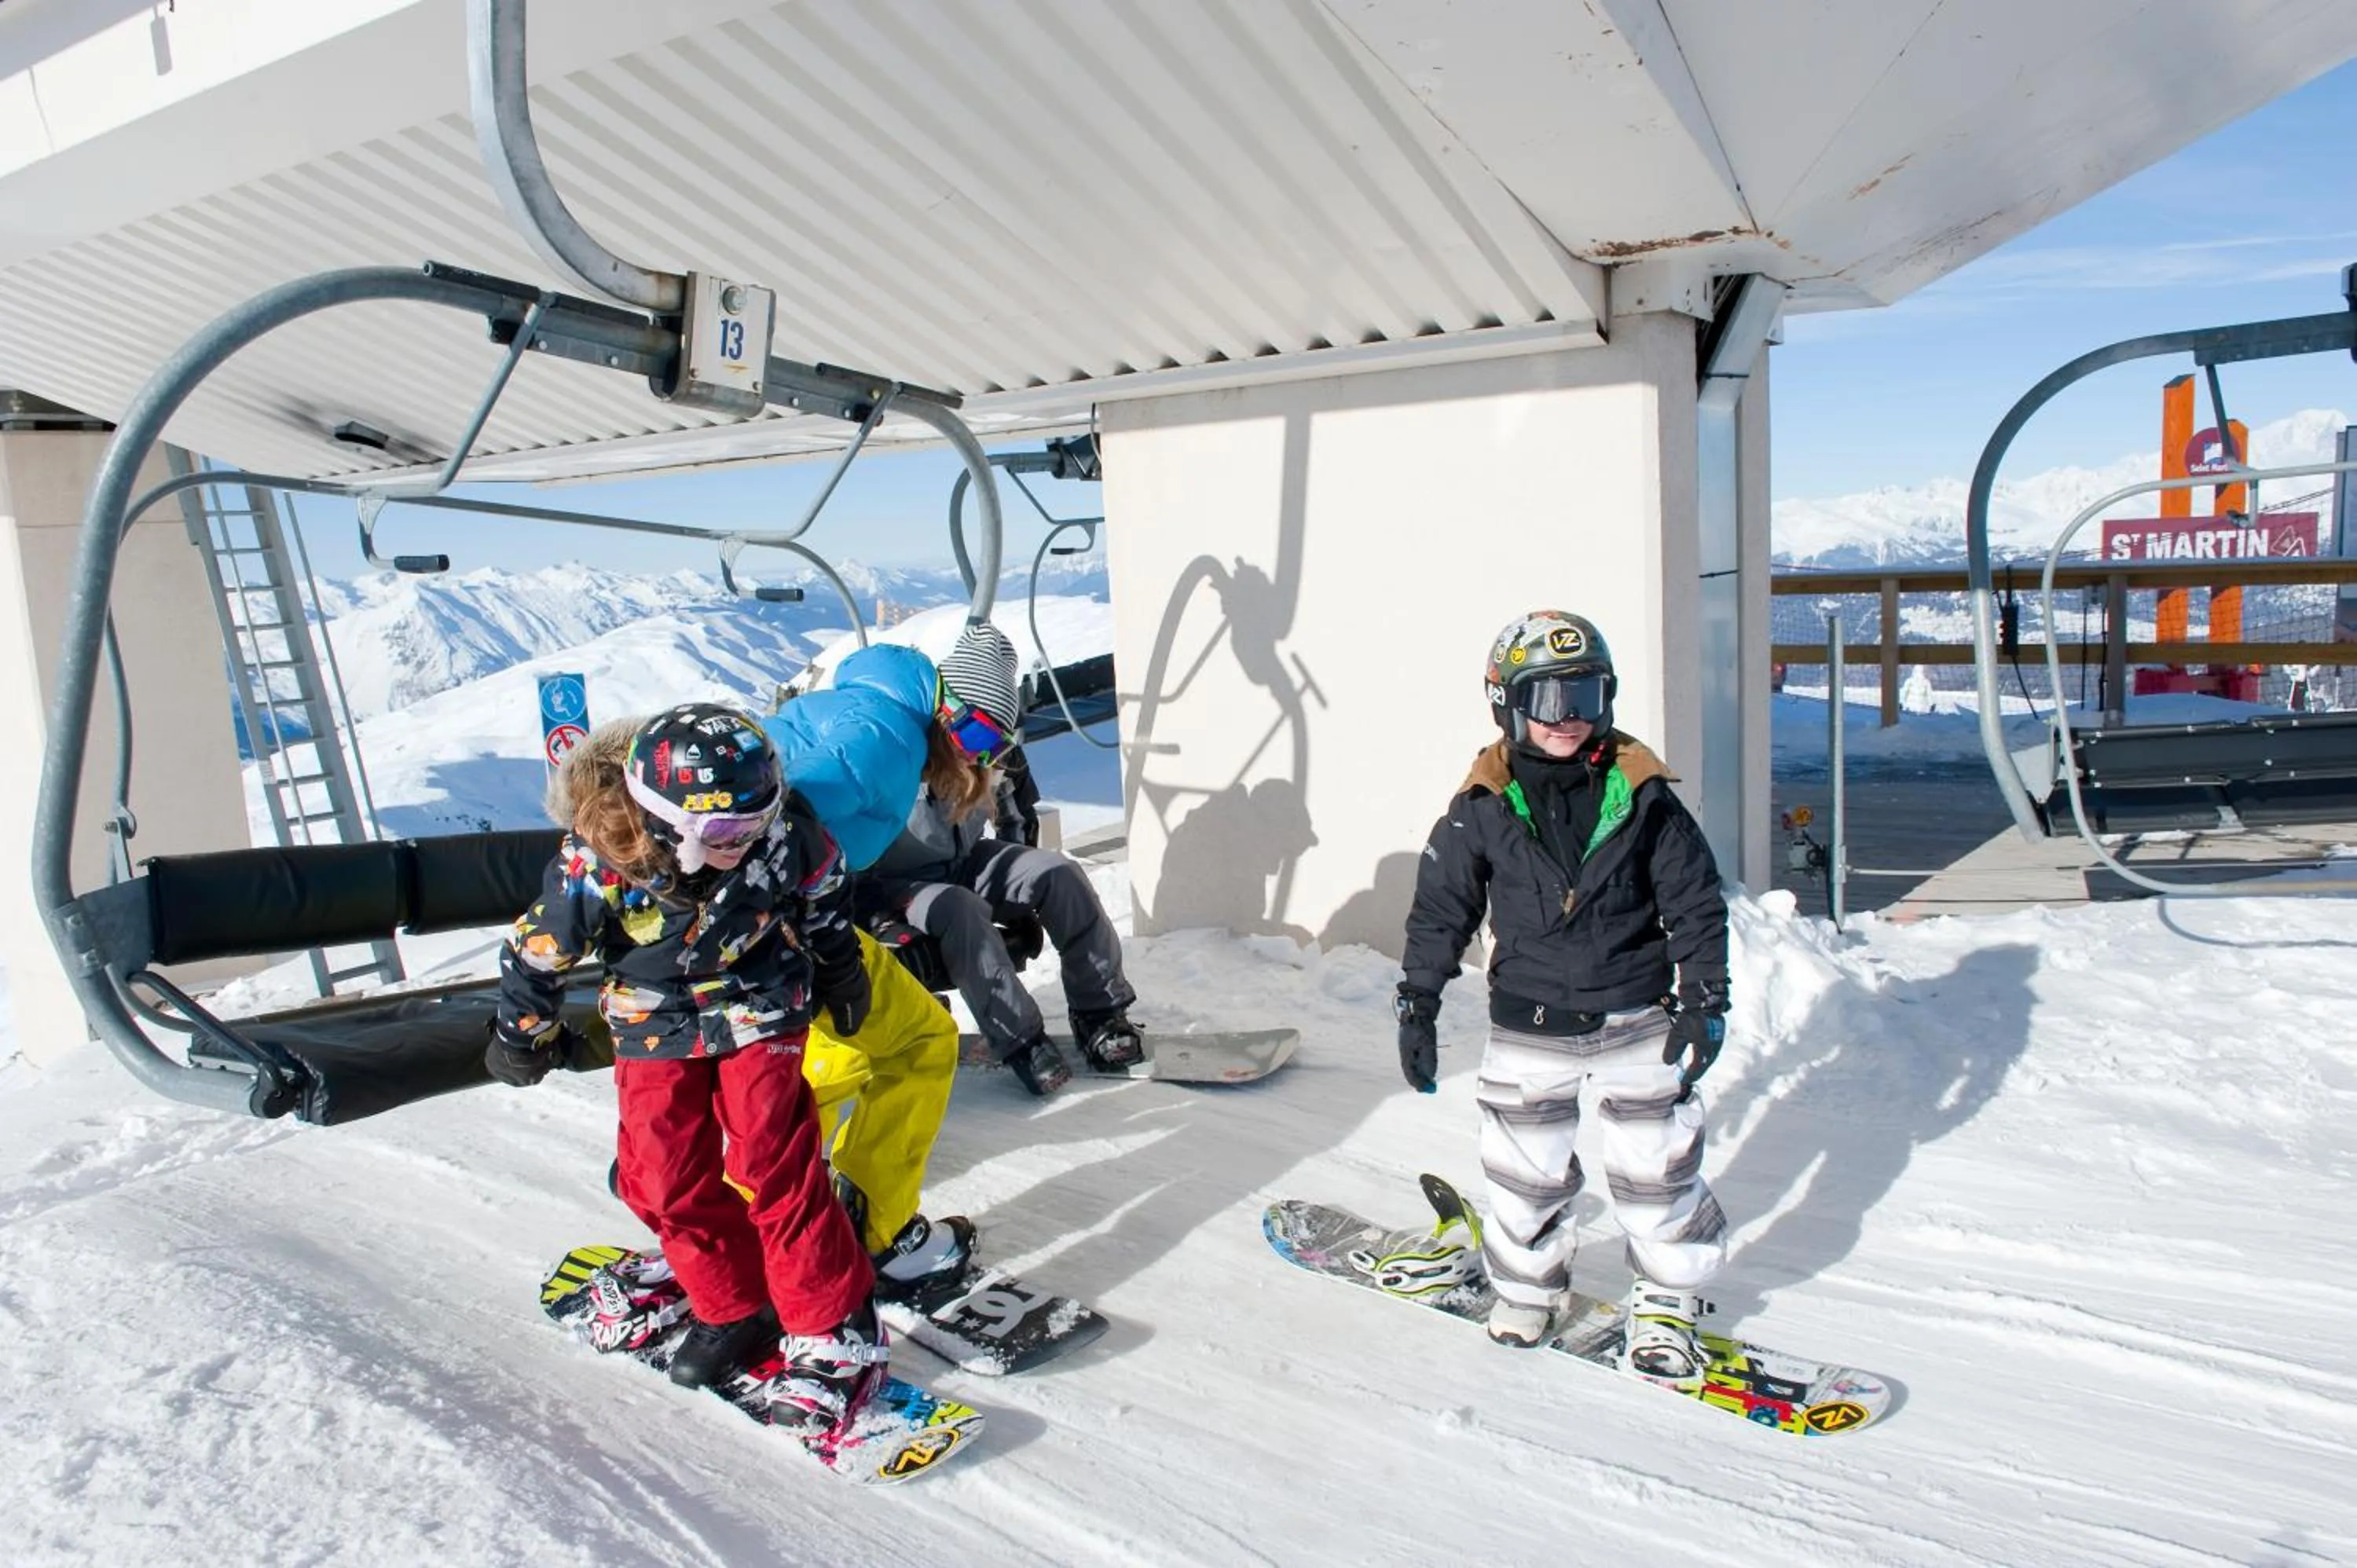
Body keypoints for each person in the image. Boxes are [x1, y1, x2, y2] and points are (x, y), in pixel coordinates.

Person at [483, 702, 887, 1432]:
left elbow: (825, 898)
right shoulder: (601, 860)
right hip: (654, 1019)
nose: (749, 839)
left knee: (773, 1163)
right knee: (663, 1176)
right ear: (670, 819)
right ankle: (735, 1301)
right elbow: (534, 955)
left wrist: (842, 976)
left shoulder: (782, 834)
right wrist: (523, 1035)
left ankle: (832, 1322)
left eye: (759, 819)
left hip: (759, 1002)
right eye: (728, 832)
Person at [1395, 610, 1731, 1388]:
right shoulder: (1482, 802)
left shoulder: (1643, 792)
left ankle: (1669, 1301)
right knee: (1524, 1171)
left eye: (1584, 694)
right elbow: (1442, 906)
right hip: (1531, 1018)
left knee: (1657, 1169)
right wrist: (1418, 1001)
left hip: (1637, 1011)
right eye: (1546, 699)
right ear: (1506, 705)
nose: (1567, 717)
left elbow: (1693, 898)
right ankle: (1526, 1286)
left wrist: (1703, 997)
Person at [552, 716, 972, 1306]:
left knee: (775, 1092)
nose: (979, 751)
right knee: (915, 1045)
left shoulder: (820, 727)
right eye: (977, 736)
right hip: (797, 948)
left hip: (755, 964)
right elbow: (819, 856)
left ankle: (726, 1227)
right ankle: (871, 1234)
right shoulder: (881, 745)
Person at [863, 624, 1145, 1098]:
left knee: (1058, 873)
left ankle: (1099, 1012)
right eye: (973, 731)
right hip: (895, 884)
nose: (979, 750)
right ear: (946, 713)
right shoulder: (894, 754)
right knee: (959, 908)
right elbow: (844, 847)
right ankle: (1021, 1040)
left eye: (994, 739)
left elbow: (1015, 818)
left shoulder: (989, 756)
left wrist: (1018, 897)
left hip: (964, 861)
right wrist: (873, 920)